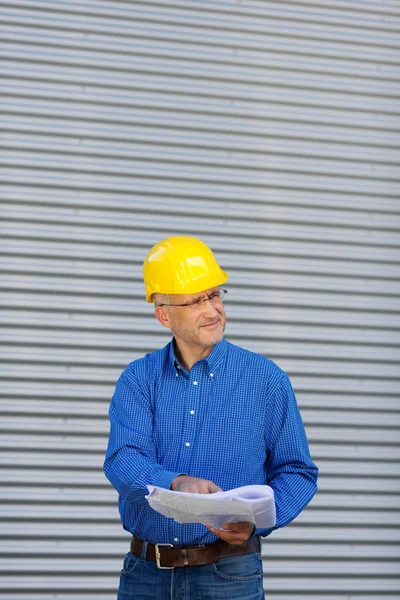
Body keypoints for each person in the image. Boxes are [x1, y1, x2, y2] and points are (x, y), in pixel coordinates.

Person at [104, 235, 318, 600]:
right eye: (196, 301)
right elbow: (123, 460)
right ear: (164, 315)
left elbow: (297, 471)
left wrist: (256, 522)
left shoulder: (266, 380)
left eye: (214, 295)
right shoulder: (138, 379)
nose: (212, 310)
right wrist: (176, 482)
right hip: (146, 577)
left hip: (230, 577)